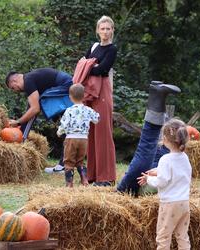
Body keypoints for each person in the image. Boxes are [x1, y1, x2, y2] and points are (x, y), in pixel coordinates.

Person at [117, 82, 181, 196]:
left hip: (142, 184)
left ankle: (157, 94)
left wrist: (152, 176)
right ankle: (157, 95)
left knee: (148, 148)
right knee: (156, 147)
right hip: (154, 177)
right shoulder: (182, 159)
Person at [137, 118, 192, 250]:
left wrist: (149, 179)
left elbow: (162, 182)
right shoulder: (184, 157)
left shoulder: (165, 159)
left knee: (163, 237)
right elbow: (177, 172)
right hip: (184, 203)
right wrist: (156, 171)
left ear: (165, 139)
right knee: (182, 236)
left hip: (169, 205)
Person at [83, 15, 117, 186]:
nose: (105, 31)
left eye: (108, 28)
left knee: (103, 133)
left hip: (103, 91)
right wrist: (91, 66)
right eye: (102, 28)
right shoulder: (94, 46)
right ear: (97, 30)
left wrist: (91, 66)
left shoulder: (112, 49)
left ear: (112, 30)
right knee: (92, 133)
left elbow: (102, 69)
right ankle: (93, 175)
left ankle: (106, 177)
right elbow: (83, 63)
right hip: (90, 91)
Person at [57, 84, 99, 187]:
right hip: (84, 139)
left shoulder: (69, 110)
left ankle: (69, 184)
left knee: (68, 161)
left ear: (70, 97)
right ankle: (84, 180)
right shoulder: (88, 110)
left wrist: (59, 132)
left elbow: (64, 124)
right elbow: (97, 119)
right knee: (80, 161)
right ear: (84, 95)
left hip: (71, 138)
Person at [5, 68, 72, 131]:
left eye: (13, 88)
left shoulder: (28, 82)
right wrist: (21, 126)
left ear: (14, 80)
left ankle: (60, 118)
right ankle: (23, 134)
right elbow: (31, 109)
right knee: (33, 106)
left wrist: (18, 121)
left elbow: (35, 109)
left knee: (40, 101)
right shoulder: (29, 80)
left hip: (66, 84)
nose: (15, 90)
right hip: (64, 84)